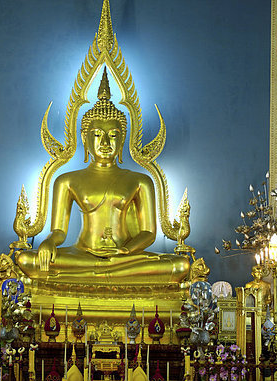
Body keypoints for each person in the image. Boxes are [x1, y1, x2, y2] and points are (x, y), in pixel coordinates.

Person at [15, 69, 189, 284]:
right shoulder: (66, 180)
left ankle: (96, 274)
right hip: (82, 254)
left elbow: (148, 233)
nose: (105, 143)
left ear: (123, 138)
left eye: (113, 135)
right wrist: (49, 242)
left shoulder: (140, 180)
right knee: (27, 259)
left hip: (124, 257)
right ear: (84, 138)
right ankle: (103, 273)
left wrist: (125, 251)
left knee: (180, 265)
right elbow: (59, 230)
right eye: (97, 135)